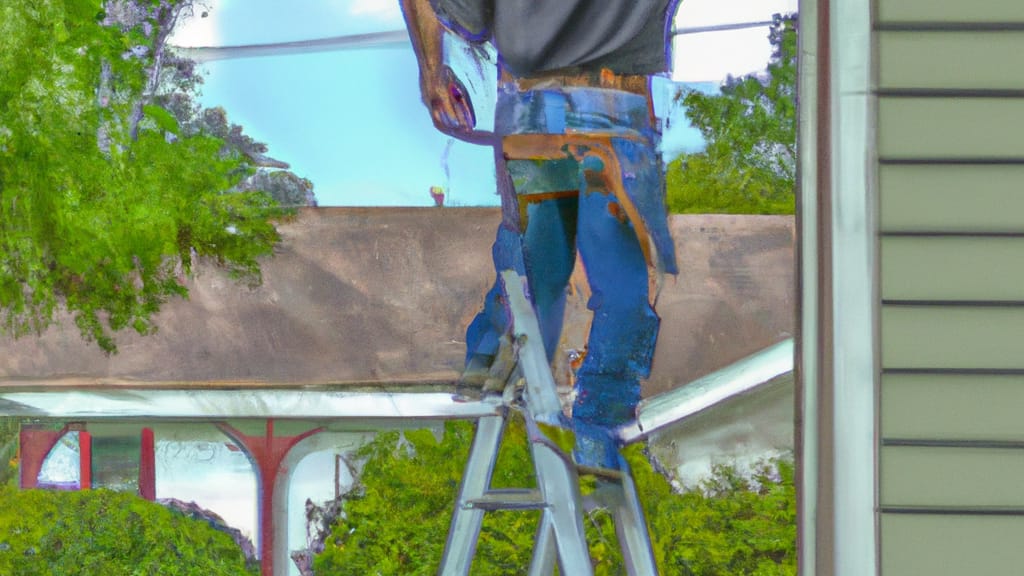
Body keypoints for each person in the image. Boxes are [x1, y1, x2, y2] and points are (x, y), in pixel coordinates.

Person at [400, 0, 679, 469]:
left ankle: (491, 367)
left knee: (540, 270)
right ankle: (596, 425)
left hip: (545, 106)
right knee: (611, 282)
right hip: (607, 109)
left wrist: (432, 71)